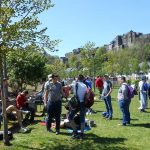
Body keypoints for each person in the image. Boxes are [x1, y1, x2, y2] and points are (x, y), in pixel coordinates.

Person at [67, 74, 87, 139]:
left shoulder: (75, 84)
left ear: (77, 78)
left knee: (70, 117)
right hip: (82, 103)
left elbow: (66, 87)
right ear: (83, 79)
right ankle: (81, 134)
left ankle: (75, 131)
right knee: (82, 119)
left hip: (75, 104)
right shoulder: (85, 85)